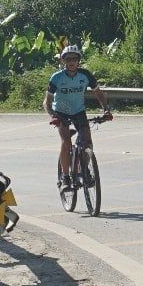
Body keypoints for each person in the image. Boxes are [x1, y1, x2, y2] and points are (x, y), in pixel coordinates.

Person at [47, 45, 111, 189]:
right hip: (61, 113)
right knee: (66, 142)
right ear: (64, 61)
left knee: (87, 142)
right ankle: (65, 177)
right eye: (68, 59)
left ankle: (83, 169)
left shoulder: (85, 75)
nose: (72, 62)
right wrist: (52, 115)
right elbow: (47, 101)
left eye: (74, 59)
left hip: (78, 112)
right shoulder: (57, 78)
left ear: (78, 61)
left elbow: (98, 93)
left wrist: (106, 110)